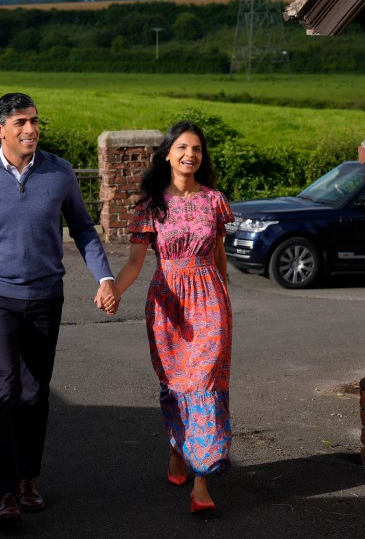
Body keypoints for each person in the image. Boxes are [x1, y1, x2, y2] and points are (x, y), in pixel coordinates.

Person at [0, 92, 118, 525]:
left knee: (36, 391)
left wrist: (105, 277)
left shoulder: (58, 172)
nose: (31, 129)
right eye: (20, 122)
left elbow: (82, 228)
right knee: (3, 387)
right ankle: (4, 491)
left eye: (35, 121)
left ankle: (27, 479)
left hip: (45, 298)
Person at [111, 121, 234, 514]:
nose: (190, 155)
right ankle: (178, 448)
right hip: (167, 304)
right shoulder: (151, 205)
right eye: (182, 147)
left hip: (210, 304)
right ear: (168, 153)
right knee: (176, 384)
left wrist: (224, 298)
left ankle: (202, 481)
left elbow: (218, 257)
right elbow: (134, 263)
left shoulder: (214, 200)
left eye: (197, 149)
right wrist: (113, 289)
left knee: (206, 385)